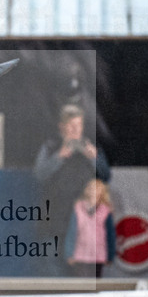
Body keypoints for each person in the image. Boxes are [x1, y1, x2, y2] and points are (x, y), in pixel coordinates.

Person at [33, 104, 111, 276]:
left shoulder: (91, 148)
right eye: (71, 125)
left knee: (83, 282)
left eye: (79, 125)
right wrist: (60, 156)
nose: (76, 129)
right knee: (53, 278)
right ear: (62, 127)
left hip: (84, 229)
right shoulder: (51, 147)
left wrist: (94, 159)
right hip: (53, 224)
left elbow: (106, 176)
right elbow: (39, 175)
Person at [64, 178, 116, 278]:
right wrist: (69, 253)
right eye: (91, 188)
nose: (93, 191)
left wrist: (110, 255)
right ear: (86, 190)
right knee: (82, 284)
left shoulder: (106, 211)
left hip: (98, 255)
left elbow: (110, 235)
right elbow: (72, 232)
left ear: (102, 191)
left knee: (95, 283)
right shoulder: (78, 208)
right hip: (80, 254)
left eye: (97, 189)